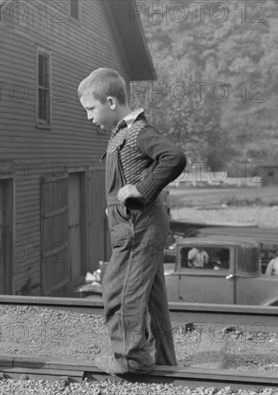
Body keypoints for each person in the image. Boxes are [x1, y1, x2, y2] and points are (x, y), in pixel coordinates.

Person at [78, 68, 186, 375]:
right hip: (133, 224)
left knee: (118, 290)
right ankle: (163, 359)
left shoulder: (138, 132)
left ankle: (131, 360)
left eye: (91, 109)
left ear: (111, 102)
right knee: (150, 297)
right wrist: (113, 206)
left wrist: (141, 189)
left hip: (138, 226)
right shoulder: (120, 134)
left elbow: (174, 157)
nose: (89, 117)